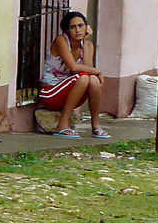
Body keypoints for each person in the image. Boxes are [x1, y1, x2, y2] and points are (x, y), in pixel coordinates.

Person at [39, 11, 108, 139]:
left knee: (92, 80)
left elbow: (88, 69)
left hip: (70, 95)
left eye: (81, 26)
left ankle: (96, 126)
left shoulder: (87, 46)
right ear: (67, 30)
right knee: (83, 77)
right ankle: (62, 124)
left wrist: (86, 42)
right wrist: (98, 71)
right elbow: (74, 67)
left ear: (87, 27)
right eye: (73, 27)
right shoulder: (61, 40)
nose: (77, 30)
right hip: (50, 93)